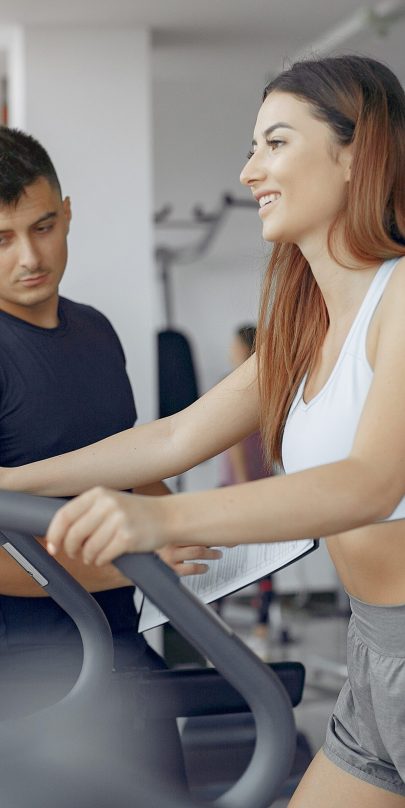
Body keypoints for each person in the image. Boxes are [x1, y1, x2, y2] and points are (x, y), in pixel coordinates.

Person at [2, 54, 405, 805]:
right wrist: (9, 484)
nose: (251, 171)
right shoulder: (305, 321)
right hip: (372, 651)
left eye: (274, 143)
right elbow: (171, 438)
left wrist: (155, 516)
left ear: (356, 152)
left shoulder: (401, 298)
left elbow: (370, 482)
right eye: (251, 148)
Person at [0, 127, 221, 786]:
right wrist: (137, 563)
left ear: (67, 210)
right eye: (1, 239)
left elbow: (126, 466)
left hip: (123, 639)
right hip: (25, 663)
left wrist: (191, 524)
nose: (30, 257)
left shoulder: (94, 330)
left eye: (44, 226)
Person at [218, 324, 274, 650]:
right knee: (264, 557)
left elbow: (234, 442)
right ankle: (262, 623)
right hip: (262, 482)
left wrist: (239, 483)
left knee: (228, 555)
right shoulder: (270, 384)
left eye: (233, 344)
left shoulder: (237, 386)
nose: (229, 350)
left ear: (244, 348)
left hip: (239, 484)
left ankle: (216, 619)